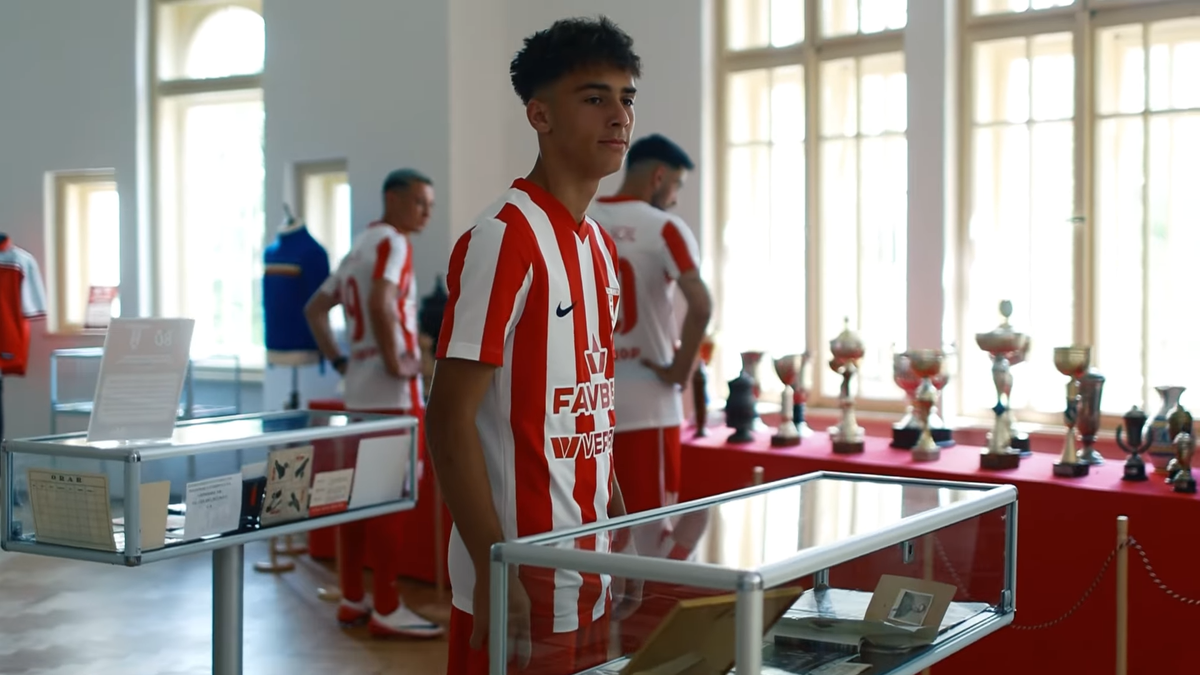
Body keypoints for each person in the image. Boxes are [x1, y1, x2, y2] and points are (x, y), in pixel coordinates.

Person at [425, 16, 642, 675]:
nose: (619, 116)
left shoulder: (598, 246)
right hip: (519, 573)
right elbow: (448, 417)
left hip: (587, 562)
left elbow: (588, 407)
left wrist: (619, 532)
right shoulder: (505, 237)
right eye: (595, 97)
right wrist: (495, 567)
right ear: (539, 114)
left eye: (626, 98)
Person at [304, 168, 444, 639]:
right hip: (393, 398)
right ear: (394, 198)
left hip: (357, 395)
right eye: (420, 202)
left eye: (430, 205)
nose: (426, 213)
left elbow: (315, 309)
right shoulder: (393, 243)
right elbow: (383, 299)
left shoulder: (358, 247)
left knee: (357, 500)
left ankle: (352, 598)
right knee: (390, 499)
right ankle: (386, 604)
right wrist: (396, 360)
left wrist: (342, 362)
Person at [589, 135, 714, 656]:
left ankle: (598, 653)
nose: (677, 198)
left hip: (590, 406)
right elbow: (700, 304)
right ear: (659, 176)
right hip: (649, 407)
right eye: (677, 185)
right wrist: (680, 371)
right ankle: (648, 656)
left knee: (596, 537)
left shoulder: (584, 216)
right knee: (652, 540)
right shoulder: (664, 227)